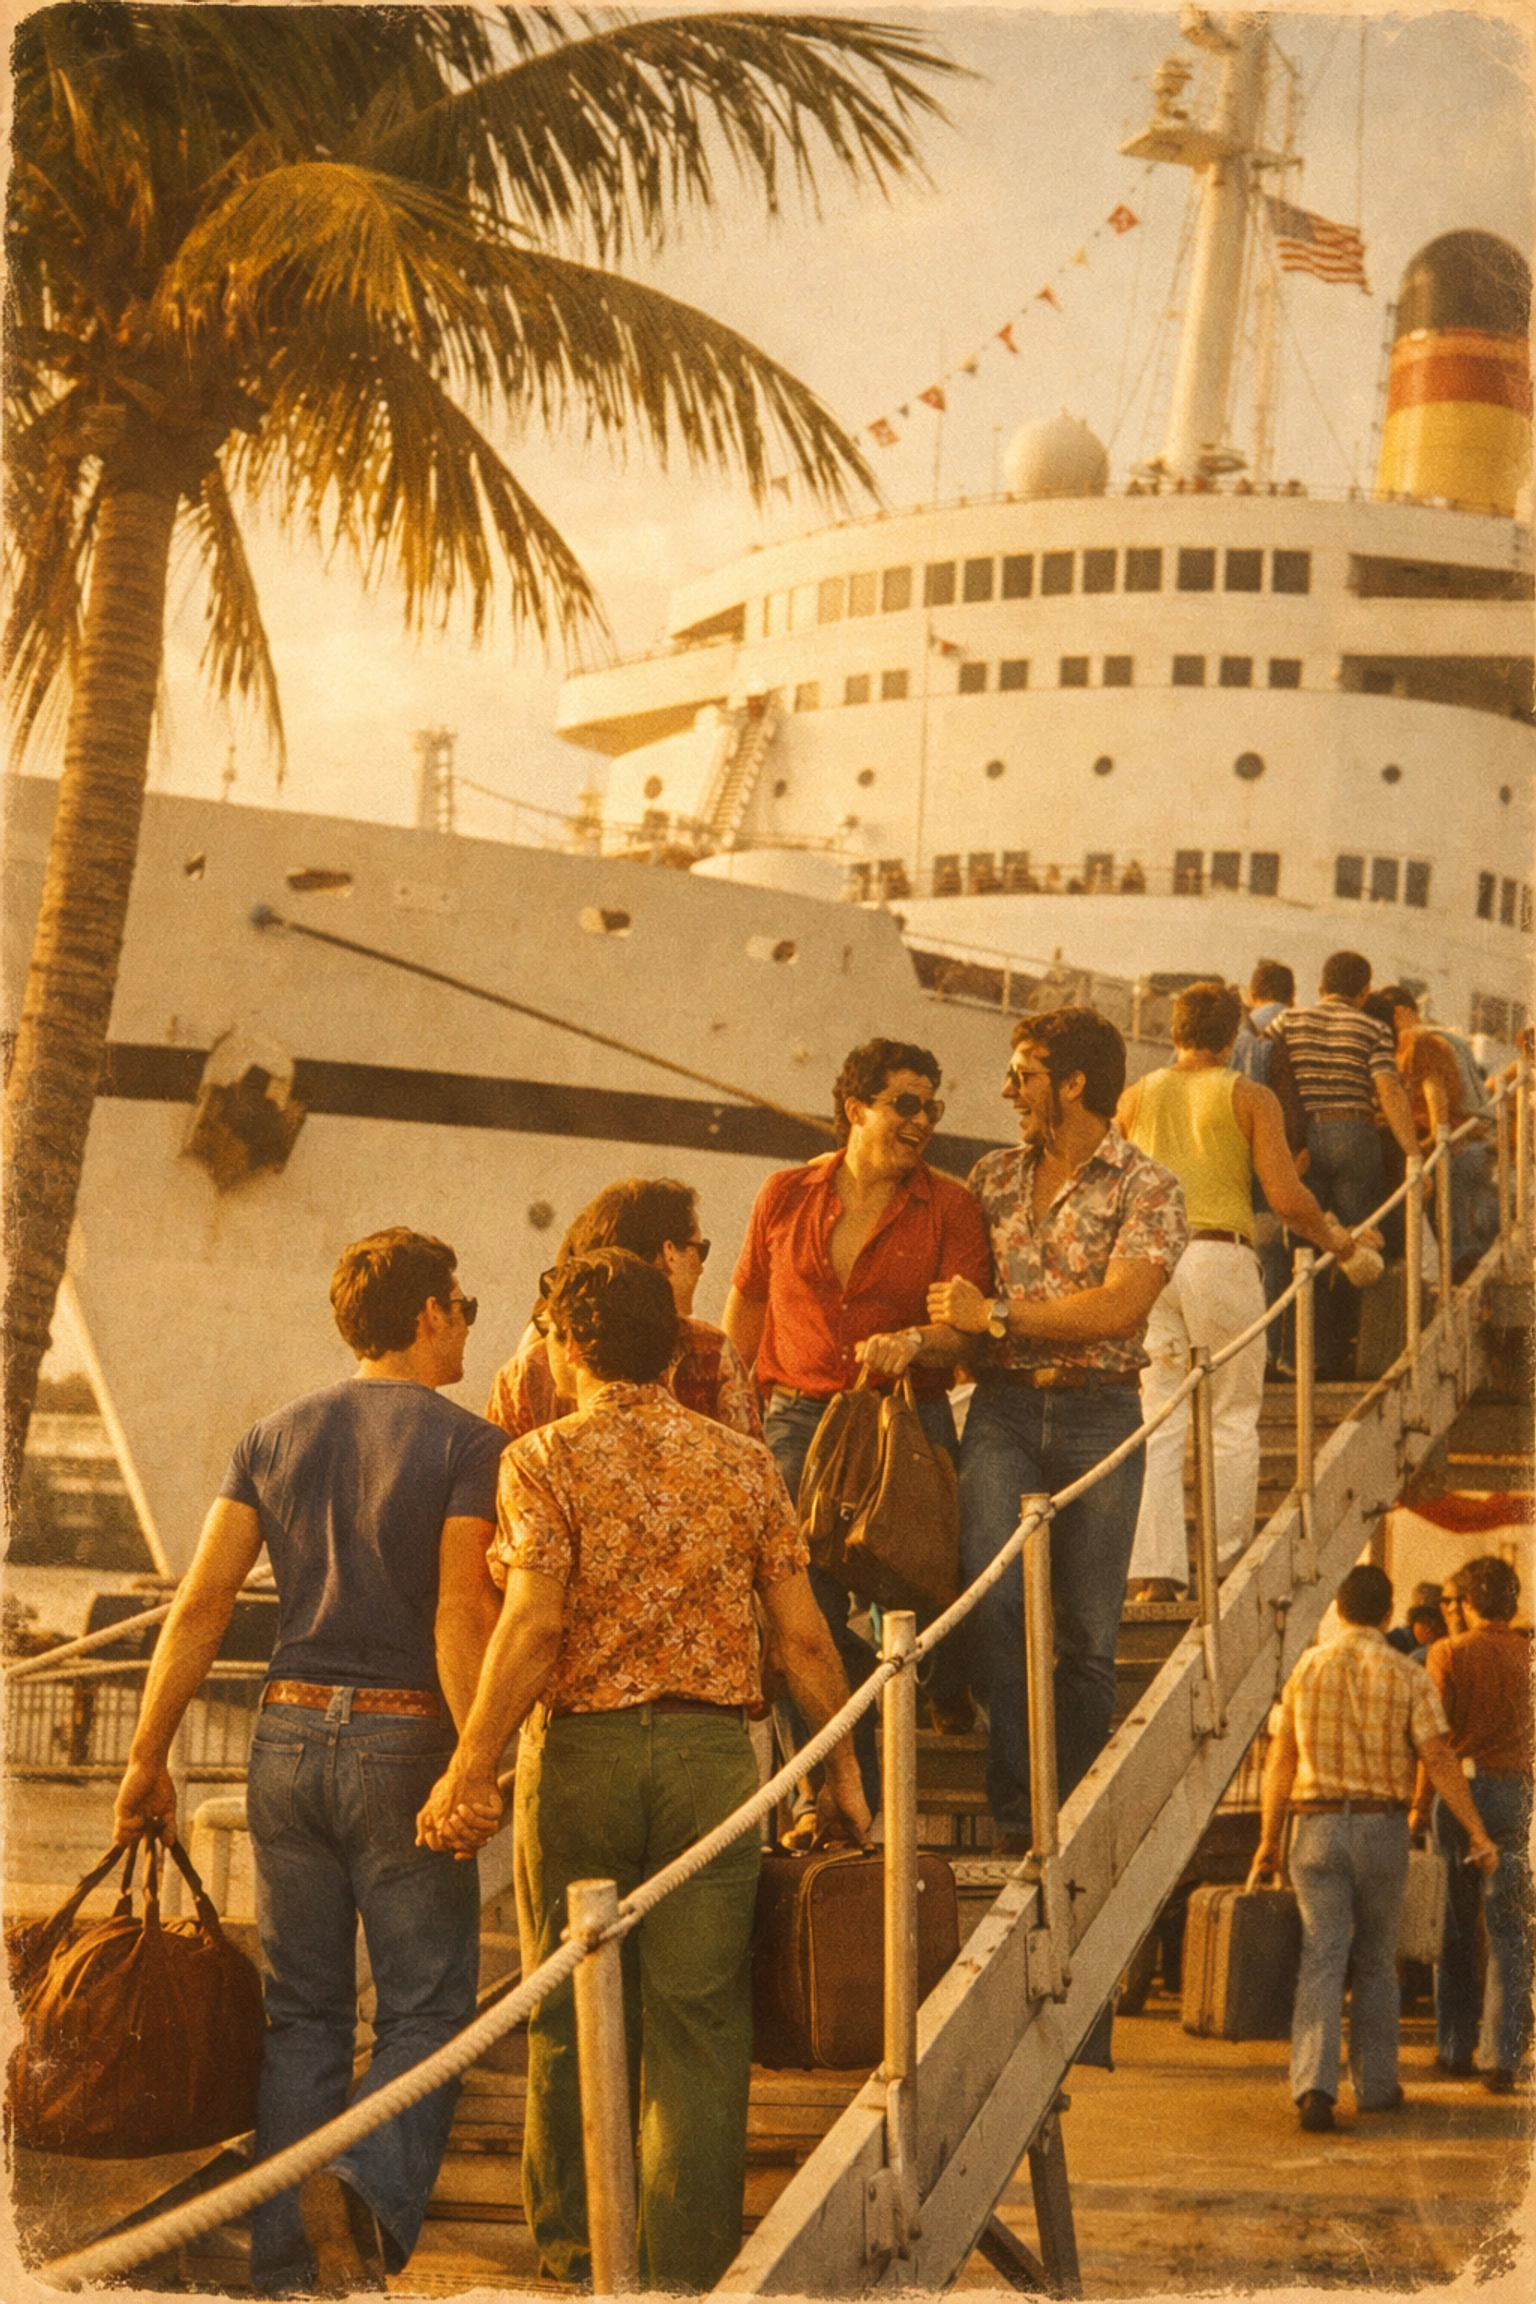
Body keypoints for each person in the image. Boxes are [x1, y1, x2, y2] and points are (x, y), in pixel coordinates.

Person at [416, 1249, 870, 2292]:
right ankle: (679, 2274)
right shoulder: (743, 1464)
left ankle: (579, 2261)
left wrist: (471, 1768)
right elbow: (803, 1641)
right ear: (671, 1346)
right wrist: (838, 1771)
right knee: (700, 2025)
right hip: (715, 1763)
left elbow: (531, 1624)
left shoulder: (541, 1461)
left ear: (568, 1346)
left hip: (585, 1758)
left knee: (571, 2011)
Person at [112, 1230, 507, 2295]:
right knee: (425, 2008)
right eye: (463, 1303)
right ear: (428, 1313)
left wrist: (149, 1756)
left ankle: (290, 2263)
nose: (469, 1319)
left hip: (283, 1735)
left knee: (305, 2015)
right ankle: (368, 2197)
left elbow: (199, 1606)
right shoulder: (473, 1447)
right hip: (402, 1735)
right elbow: (462, 1617)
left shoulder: (272, 1437)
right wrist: (475, 1760)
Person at [926, 1007, 1189, 1854]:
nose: (1007, 1088)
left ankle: (1063, 1820)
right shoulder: (990, 1177)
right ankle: (1016, 1814)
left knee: (1085, 1636)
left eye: (1025, 1072)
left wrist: (995, 1314)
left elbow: (1120, 1307)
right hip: (1002, 1409)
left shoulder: (1150, 1187)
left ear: (1074, 1082)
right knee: (993, 1596)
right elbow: (958, 1301)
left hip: (1101, 1412)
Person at [724, 1038, 993, 1782]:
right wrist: (730, 1405)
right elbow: (747, 1299)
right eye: (906, 1104)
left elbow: (964, 1329)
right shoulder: (784, 1195)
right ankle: (842, 1789)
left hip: (901, 1422)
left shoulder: (951, 1207)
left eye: (931, 1107)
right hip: (799, 1421)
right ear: (856, 1108)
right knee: (796, 1612)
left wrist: (914, 1341)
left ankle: (945, 1680)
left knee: (932, 1593)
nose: (923, 1121)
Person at [1116, 983, 1381, 1601]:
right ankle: (1222, 1565)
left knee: (1158, 1419)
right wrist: (1339, 1243)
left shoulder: (1133, 1099)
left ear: (1174, 1030)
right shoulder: (1249, 1096)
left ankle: (1154, 1572)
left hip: (1148, 1262)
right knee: (1231, 1417)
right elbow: (1287, 1200)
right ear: (1234, 1037)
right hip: (1217, 1255)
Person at [1248, 1563, 1498, 2133]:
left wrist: (1267, 1838)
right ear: (1389, 1615)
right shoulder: (1405, 1674)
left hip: (1313, 1829)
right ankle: (1378, 2085)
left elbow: (1281, 1760)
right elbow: (1437, 1757)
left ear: (1337, 1610)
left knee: (1321, 1955)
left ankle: (1314, 2087)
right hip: (1382, 1829)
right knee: (1379, 1958)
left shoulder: (1304, 1669)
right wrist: (1477, 1831)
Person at [486, 1177, 760, 1440]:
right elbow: (750, 1461)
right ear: (669, 1252)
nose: (700, 1267)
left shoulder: (524, 1371)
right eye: (700, 1249)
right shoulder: (711, 1352)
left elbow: (498, 1480)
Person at [1264, 952, 1418, 1378]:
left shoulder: (1290, 1022)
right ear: (1365, 992)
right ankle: (1344, 1357)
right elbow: (1387, 1087)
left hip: (1303, 1142)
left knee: (1304, 1247)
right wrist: (1413, 1152)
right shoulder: (1372, 1028)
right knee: (1357, 1247)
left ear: (1319, 986)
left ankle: (1298, 1359)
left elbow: (1261, 1061)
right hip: (1355, 1135)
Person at [1411, 1555, 1533, 2091]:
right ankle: (1502, 2057)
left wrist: (1419, 1804)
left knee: (1454, 1927)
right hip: (1520, 1793)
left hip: (1461, 1789)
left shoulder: (1448, 1652)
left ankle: (1455, 2047)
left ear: (1467, 1602)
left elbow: (1432, 1741)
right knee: (1510, 1930)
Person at [1376, 986, 1498, 1283]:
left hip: (1455, 1145)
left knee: (1456, 1243)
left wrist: (1436, 1136)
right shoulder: (1450, 1037)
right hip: (1476, 1141)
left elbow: (1434, 1089)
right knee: (1466, 1236)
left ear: (1399, 1013)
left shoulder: (1416, 1041)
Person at [1230, 961, 1308, 1369]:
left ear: (1251, 992)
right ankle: (1273, 1352)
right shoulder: (1289, 1031)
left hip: (1224, 1167)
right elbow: (1287, 1100)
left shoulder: (1232, 1036)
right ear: (1291, 994)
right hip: (1272, 1163)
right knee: (1275, 1257)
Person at [1386, 1580, 1448, 1659]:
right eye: (1423, 1619)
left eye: (1439, 1620)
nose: (1430, 1627)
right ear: (1413, 1621)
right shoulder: (1393, 1641)